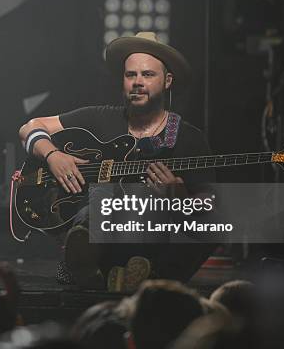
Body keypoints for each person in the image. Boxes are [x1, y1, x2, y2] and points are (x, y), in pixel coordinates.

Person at [18, 32, 216, 290]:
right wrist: (52, 154)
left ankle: (146, 278)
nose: (137, 82)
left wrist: (181, 199)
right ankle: (93, 266)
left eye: (148, 75)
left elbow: (210, 205)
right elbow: (30, 127)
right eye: (130, 75)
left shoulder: (188, 138)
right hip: (100, 239)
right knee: (103, 198)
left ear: (167, 81)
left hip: (157, 243)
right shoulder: (98, 118)